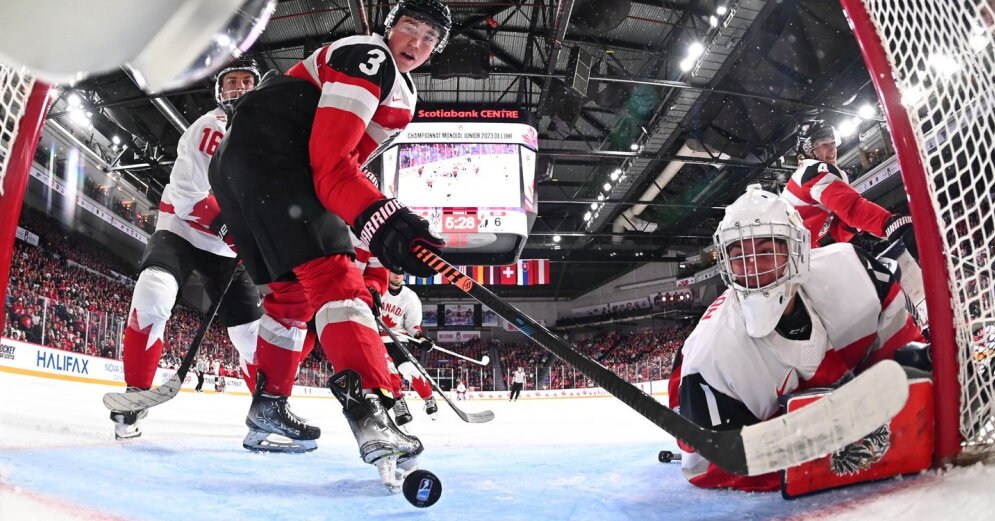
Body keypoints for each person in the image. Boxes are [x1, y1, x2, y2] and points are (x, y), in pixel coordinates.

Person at [208, 0, 451, 491]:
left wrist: (373, 232)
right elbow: (330, 164)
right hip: (277, 161)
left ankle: (268, 408)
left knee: (289, 298)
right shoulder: (371, 56)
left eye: (429, 39)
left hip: (240, 172)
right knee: (336, 283)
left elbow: (341, 176)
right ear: (390, 27)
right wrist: (385, 220)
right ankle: (374, 415)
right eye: (410, 28)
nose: (415, 44)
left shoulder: (401, 92)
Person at [669, 185, 927, 492]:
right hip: (694, 386)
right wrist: (814, 458)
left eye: (764, 252)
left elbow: (904, 363)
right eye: (740, 257)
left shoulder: (853, 272)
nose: (751, 270)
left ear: (796, 251)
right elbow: (705, 465)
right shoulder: (712, 358)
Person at [108, 59, 278, 442]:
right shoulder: (206, 129)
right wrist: (232, 230)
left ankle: (266, 412)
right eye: (231, 82)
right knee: (153, 290)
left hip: (229, 249)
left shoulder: (274, 137)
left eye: (246, 81)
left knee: (252, 335)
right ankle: (135, 395)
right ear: (220, 91)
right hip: (181, 232)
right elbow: (187, 195)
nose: (238, 88)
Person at [781, 120, 915, 254]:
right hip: (787, 254)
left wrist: (864, 239)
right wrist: (888, 223)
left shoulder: (809, 175)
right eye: (824, 144)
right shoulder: (813, 173)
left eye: (833, 142)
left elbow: (837, 225)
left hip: (795, 253)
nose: (832, 148)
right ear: (809, 151)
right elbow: (851, 208)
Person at [380, 269, 438, 422]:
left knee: (409, 369)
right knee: (389, 369)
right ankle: (399, 402)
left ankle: (429, 398)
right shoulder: (377, 288)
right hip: (376, 339)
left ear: (404, 275)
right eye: (393, 271)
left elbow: (412, 325)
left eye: (400, 272)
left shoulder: (410, 297)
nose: (397, 274)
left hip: (399, 339)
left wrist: (420, 338)